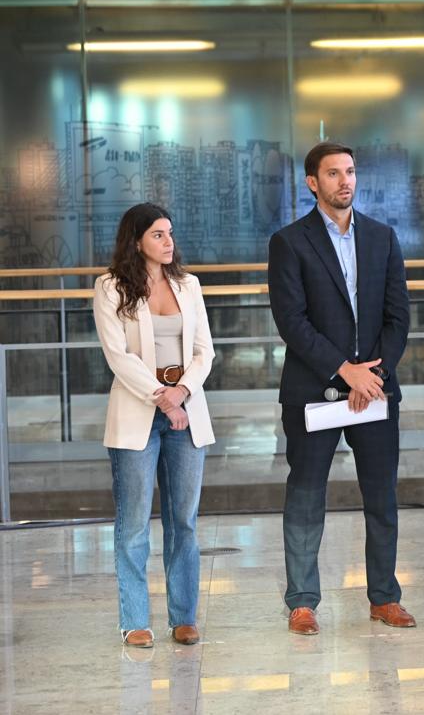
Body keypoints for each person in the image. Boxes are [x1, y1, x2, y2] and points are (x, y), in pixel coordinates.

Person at [267, 141, 414, 635]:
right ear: (313, 183)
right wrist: (344, 371)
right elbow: (292, 321)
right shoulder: (289, 242)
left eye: (349, 171)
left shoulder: (382, 237)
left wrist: (372, 377)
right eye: (333, 173)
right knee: (306, 497)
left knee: (382, 497)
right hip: (313, 392)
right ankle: (302, 602)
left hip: (375, 391)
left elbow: (398, 317)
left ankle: (385, 598)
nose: (344, 180)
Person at [93, 202, 216, 648]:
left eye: (170, 233)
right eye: (158, 235)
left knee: (184, 521)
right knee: (133, 525)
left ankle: (183, 617)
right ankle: (135, 621)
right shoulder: (110, 287)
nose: (168, 242)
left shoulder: (188, 284)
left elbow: (204, 351)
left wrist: (180, 392)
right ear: (137, 240)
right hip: (137, 415)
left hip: (186, 411)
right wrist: (162, 397)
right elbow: (118, 356)